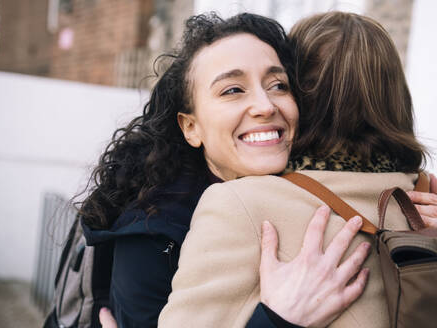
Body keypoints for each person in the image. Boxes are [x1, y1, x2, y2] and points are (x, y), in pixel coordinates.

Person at [157, 11, 437, 327]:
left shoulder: (239, 205)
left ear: (299, 92)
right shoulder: (431, 204)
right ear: (397, 98)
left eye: (278, 84)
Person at [81, 12, 370, 328]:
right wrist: (280, 320)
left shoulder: (308, 188)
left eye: (278, 85)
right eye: (233, 90)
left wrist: (417, 233)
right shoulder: (152, 232)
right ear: (191, 128)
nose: (265, 106)